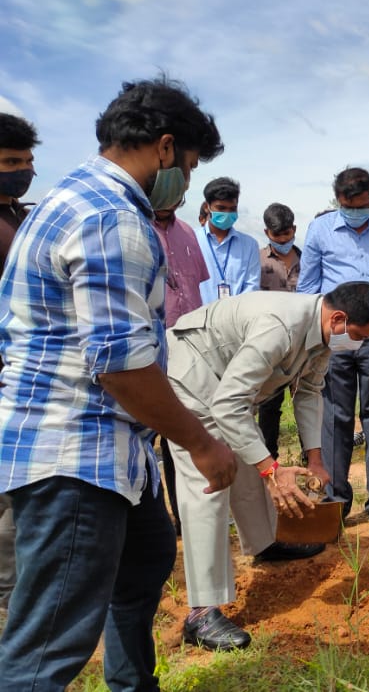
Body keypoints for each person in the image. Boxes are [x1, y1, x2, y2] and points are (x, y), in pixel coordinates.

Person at [0, 77, 238, 691]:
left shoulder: (74, 197)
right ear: (163, 149)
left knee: (142, 566)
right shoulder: (111, 218)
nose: (185, 184)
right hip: (75, 453)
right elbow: (121, 365)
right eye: (186, 167)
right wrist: (201, 443)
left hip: (113, 453)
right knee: (47, 648)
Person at [167, 282, 369, 651]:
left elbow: (309, 392)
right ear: (338, 319)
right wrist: (272, 470)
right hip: (193, 373)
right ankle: (201, 614)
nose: (359, 345)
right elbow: (226, 406)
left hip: (225, 387)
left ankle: (265, 543)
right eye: (359, 336)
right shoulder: (279, 327)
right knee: (211, 480)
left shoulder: (324, 337)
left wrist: (314, 460)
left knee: (248, 462)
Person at [297, 167, 369, 536]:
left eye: (362, 206)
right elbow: (308, 287)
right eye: (348, 206)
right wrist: (311, 340)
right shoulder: (320, 230)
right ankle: (336, 501)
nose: (355, 213)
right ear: (338, 202)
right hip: (336, 332)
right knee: (334, 416)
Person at [152, 192, 212, 536]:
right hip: (148, 348)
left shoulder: (187, 232)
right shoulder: (134, 229)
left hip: (189, 346)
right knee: (145, 437)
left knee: (181, 433)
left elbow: (196, 288)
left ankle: (181, 516)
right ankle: (152, 519)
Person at [0, 112, 38, 617]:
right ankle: (9, 593)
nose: (25, 170)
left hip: (22, 371)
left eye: (28, 161)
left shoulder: (23, 217)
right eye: (11, 161)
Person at [257, 202, 302, 459]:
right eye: (278, 236)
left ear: (294, 229)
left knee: (306, 400)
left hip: (301, 341)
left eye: (287, 234)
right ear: (267, 233)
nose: (284, 239)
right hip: (270, 341)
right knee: (269, 403)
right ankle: (269, 456)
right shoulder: (258, 261)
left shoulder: (307, 259)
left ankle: (311, 455)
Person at [197, 176, 260, 304]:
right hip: (198, 318)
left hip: (235, 319)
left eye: (232, 209)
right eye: (221, 208)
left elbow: (251, 287)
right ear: (206, 207)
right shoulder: (192, 240)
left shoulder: (249, 245)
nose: (227, 213)